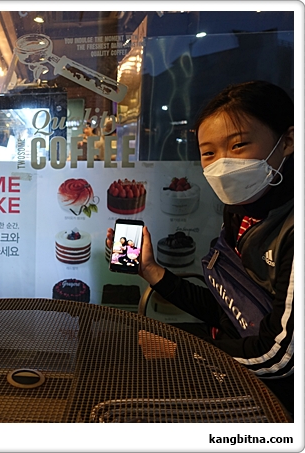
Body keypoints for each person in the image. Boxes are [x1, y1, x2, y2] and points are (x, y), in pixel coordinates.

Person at [106, 80, 294, 415]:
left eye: (238, 145)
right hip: (236, 361)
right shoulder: (241, 212)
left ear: (288, 141)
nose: (222, 165)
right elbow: (230, 310)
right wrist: (151, 271)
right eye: (209, 153)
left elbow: (279, 358)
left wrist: (182, 350)